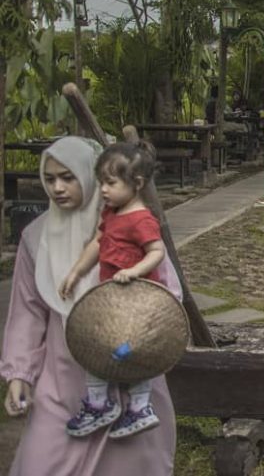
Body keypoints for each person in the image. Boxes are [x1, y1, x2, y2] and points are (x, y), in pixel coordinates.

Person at [1, 136, 181, 475]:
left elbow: (167, 292)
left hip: (128, 366)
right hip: (63, 376)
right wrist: (19, 374)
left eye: (68, 177)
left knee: (129, 462)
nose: (57, 187)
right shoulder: (36, 238)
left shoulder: (130, 224)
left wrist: (135, 332)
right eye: (50, 178)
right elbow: (28, 311)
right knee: (42, 462)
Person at [59, 141, 167, 439]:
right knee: (96, 344)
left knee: (130, 350)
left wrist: (133, 271)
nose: (103, 190)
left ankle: (140, 407)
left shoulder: (141, 219)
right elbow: (97, 242)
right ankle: (99, 403)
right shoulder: (111, 212)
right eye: (101, 183)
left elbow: (156, 251)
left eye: (111, 183)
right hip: (111, 299)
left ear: (137, 183)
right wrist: (77, 271)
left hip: (137, 300)